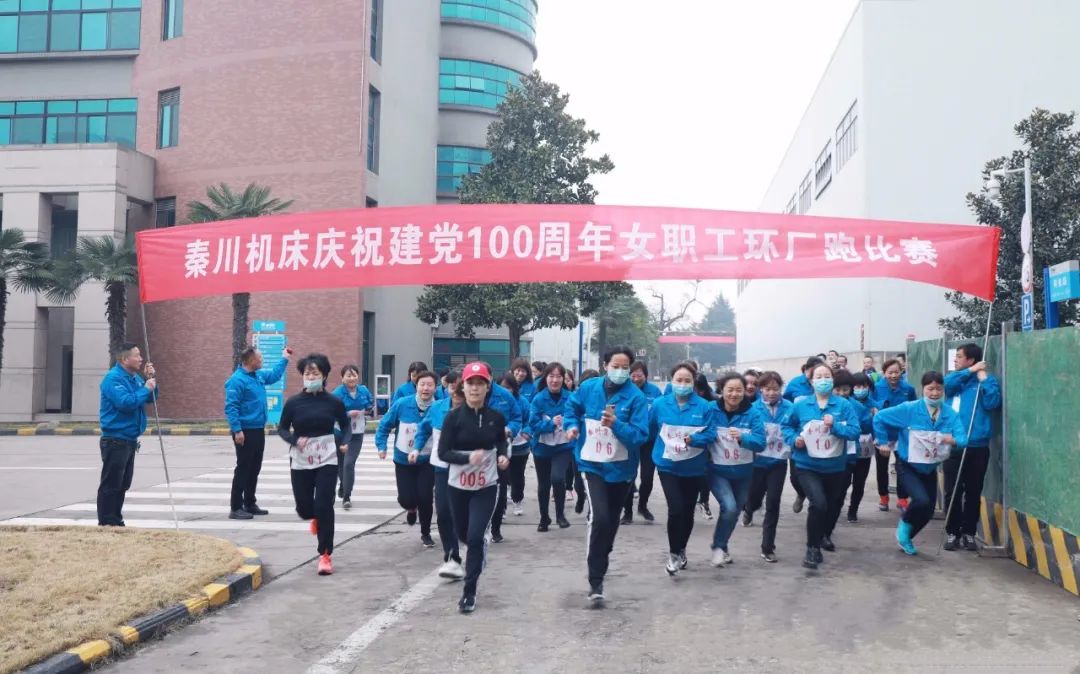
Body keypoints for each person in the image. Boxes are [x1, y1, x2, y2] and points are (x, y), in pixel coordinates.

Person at [564, 345, 649, 604]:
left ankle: (603, 551)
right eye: (616, 366)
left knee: (610, 521)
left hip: (622, 469)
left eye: (625, 367)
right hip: (592, 465)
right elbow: (572, 408)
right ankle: (595, 579)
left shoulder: (636, 398)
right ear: (605, 366)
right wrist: (571, 427)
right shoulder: (589, 388)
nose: (620, 371)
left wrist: (617, 425)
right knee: (599, 518)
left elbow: (640, 435)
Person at [437, 361, 510, 613]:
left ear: (488, 387)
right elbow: (443, 452)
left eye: (480, 384)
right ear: (463, 387)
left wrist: (503, 456)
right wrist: (468, 458)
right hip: (457, 486)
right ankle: (476, 550)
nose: (475, 388)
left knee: (476, 537)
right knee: (463, 535)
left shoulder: (495, 418)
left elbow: (501, 442)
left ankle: (469, 592)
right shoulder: (453, 418)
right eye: (471, 383)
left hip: (485, 486)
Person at [873, 371, 967, 555]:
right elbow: (879, 418)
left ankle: (906, 537)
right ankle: (904, 524)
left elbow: (963, 439)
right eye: (930, 389)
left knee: (928, 511)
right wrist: (883, 442)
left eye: (939, 389)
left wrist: (952, 440)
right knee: (921, 500)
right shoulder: (909, 409)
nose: (935, 393)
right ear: (923, 389)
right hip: (907, 465)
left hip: (929, 467)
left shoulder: (950, 414)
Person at [277, 353, 351, 575]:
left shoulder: (333, 402)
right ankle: (315, 517)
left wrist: (344, 442)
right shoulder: (293, 403)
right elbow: (282, 428)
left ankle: (325, 554)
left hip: (327, 459)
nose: (310, 377)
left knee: (324, 505)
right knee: (304, 509)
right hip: (301, 460)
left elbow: (346, 425)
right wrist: (294, 440)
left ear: (324, 375)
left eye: (315, 373)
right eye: (307, 373)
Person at [783, 363, 861, 569]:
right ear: (811, 381)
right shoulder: (800, 405)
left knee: (832, 505)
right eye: (819, 377)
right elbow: (786, 426)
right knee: (818, 504)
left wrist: (835, 426)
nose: (823, 380)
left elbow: (854, 432)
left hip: (836, 467)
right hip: (807, 465)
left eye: (827, 376)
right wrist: (794, 440)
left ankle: (824, 534)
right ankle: (812, 548)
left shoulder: (844, 406)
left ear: (833, 380)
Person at [650, 362, 717, 575]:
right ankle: (673, 553)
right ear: (672, 381)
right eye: (679, 380)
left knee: (687, 511)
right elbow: (651, 429)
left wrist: (695, 439)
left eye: (687, 380)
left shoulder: (705, 407)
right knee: (676, 508)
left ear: (693, 382)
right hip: (667, 465)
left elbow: (711, 434)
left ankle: (681, 549)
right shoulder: (659, 404)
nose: (683, 384)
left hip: (693, 466)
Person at [943, 343, 1001, 551]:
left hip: (977, 446)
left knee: (974, 491)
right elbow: (946, 385)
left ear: (970, 359)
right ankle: (952, 532)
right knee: (952, 491)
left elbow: (993, 403)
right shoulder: (956, 380)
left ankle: (968, 532)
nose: (955, 359)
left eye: (959, 356)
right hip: (954, 445)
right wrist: (970, 371)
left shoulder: (986, 381)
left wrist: (982, 378)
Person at [224, 346, 290, 520]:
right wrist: (237, 430)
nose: (262, 360)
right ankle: (235, 507)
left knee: (254, 468)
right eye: (260, 358)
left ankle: (250, 503)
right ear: (251, 360)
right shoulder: (236, 380)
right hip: (245, 431)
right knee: (243, 468)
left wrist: (284, 358)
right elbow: (231, 407)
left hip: (258, 429)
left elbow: (274, 375)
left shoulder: (257, 376)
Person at [707, 371, 766, 566]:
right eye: (730, 390)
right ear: (721, 390)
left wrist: (743, 438)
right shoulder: (711, 410)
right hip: (717, 470)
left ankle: (722, 545)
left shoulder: (753, 413)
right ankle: (718, 546)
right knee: (730, 507)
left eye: (739, 390)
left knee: (733, 512)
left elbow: (761, 443)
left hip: (743, 472)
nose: (734, 394)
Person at [97, 342, 158, 527]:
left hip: (129, 440)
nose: (141, 359)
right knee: (112, 484)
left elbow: (151, 398)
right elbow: (126, 403)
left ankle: (116, 519)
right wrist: (145, 388)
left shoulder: (134, 378)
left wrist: (150, 380)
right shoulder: (113, 379)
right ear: (124, 359)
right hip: (115, 439)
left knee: (123, 484)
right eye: (137, 355)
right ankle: (107, 522)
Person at [375, 370, 438, 548]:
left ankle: (426, 533)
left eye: (430, 385)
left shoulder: (439, 407)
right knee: (406, 499)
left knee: (425, 496)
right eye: (422, 384)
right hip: (403, 460)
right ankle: (411, 508)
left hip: (427, 460)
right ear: (416, 386)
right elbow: (384, 425)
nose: (426, 388)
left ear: (435, 387)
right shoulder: (402, 404)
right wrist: (382, 446)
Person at [415, 370, 465, 581]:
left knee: (462, 515)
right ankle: (451, 556)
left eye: (459, 386)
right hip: (443, 468)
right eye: (451, 385)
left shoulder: (477, 411)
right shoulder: (437, 408)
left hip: (467, 470)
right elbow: (424, 429)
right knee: (443, 512)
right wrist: (416, 448)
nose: (455, 390)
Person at [741, 371, 792, 562]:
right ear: (760, 389)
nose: (771, 393)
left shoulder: (790, 408)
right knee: (754, 498)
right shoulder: (752, 409)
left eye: (775, 389)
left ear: (781, 389)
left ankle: (768, 546)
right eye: (767, 389)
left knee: (773, 502)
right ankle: (749, 509)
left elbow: (796, 427)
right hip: (757, 462)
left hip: (778, 463)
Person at [529, 362, 575, 531]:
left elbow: (577, 417)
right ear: (545, 378)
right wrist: (551, 424)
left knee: (557, 478)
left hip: (563, 447)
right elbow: (533, 425)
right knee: (544, 484)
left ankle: (560, 515)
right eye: (551, 376)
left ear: (563, 379)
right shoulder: (538, 399)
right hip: (542, 447)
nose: (555, 380)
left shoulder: (570, 397)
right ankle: (544, 518)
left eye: (558, 377)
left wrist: (570, 425)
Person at [489, 373, 530, 542]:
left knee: (502, 486)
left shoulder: (506, 398)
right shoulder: (467, 396)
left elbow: (518, 418)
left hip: (505, 448)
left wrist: (511, 429)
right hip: (476, 453)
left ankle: (496, 527)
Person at [874, 358, 916, 512]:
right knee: (881, 467)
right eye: (890, 372)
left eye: (896, 372)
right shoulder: (876, 388)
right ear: (884, 373)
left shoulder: (908, 389)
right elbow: (872, 406)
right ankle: (883, 497)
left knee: (902, 467)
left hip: (901, 434)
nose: (893, 376)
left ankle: (902, 499)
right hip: (882, 433)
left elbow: (914, 407)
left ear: (901, 372)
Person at [622, 361, 663, 524]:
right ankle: (627, 512)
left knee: (647, 477)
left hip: (649, 441)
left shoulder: (654, 391)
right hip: (630, 440)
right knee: (628, 477)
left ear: (646, 376)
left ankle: (643, 506)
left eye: (639, 375)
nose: (636, 379)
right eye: (633, 376)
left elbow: (661, 413)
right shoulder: (625, 390)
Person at [331, 364, 373, 509]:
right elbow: (330, 412)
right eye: (348, 376)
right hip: (340, 432)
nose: (352, 378)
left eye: (354, 375)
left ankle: (346, 496)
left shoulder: (363, 390)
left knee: (349, 463)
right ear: (342, 378)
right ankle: (344, 485)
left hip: (357, 432)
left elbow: (370, 404)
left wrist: (368, 409)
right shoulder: (337, 393)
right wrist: (347, 414)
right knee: (341, 463)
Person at [845, 372, 877, 522]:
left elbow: (876, 427)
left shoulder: (874, 405)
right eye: (857, 386)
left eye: (863, 386)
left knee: (859, 481)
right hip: (848, 446)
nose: (860, 389)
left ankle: (853, 510)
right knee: (844, 480)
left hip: (865, 446)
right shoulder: (847, 403)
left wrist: (873, 417)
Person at [694, 370, 717, 521]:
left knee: (705, 474)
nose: (698, 393)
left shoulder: (713, 401)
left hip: (707, 443)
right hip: (690, 442)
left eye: (700, 389)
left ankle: (704, 501)